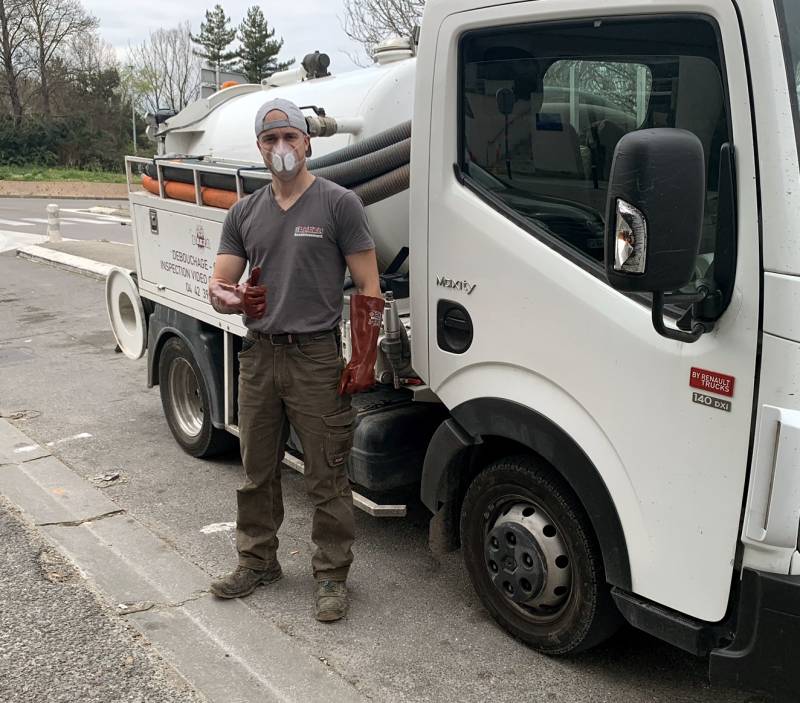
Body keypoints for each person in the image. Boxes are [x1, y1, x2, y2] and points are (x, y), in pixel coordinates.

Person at [207, 97, 384, 622]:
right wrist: (233, 297)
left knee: (325, 477)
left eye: (290, 138)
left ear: (308, 142)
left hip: (315, 358)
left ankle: (331, 575)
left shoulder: (338, 205)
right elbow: (219, 284)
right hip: (259, 358)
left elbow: (369, 287)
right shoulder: (245, 212)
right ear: (259, 148)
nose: (281, 148)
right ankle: (257, 562)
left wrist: (364, 356)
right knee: (256, 471)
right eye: (270, 140)